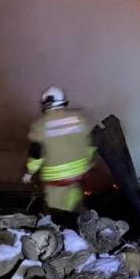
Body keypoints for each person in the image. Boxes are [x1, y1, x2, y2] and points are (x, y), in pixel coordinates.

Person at [22, 86, 95, 215]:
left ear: (46, 104)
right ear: (64, 101)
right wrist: (87, 164)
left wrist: (29, 173)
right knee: (76, 210)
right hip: (78, 177)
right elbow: (91, 144)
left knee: (56, 215)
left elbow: (36, 153)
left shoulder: (41, 125)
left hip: (56, 182)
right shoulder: (78, 119)